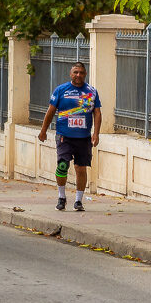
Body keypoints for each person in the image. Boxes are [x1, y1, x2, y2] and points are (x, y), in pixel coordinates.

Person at [36, 62, 102, 211]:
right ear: (70, 74)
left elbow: (97, 113)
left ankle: (78, 200)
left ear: (85, 74)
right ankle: (61, 197)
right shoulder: (61, 90)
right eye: (75, 72)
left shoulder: (91, 91)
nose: (78, 75)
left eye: (81, 73)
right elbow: (51, 111)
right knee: (62, 165)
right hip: (64, 135)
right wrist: (43, 130)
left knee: (81, 168)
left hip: (84, 137)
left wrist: (96, 133)